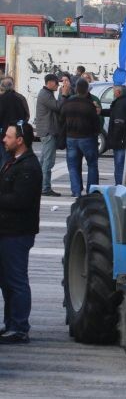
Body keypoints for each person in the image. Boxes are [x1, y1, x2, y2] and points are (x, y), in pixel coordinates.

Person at [0, 121, 42, 344]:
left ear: (20, 140)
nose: (4, 140)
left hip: (17, 232)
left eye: (8, 136)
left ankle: (19, 327)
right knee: (6, 281)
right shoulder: (13, 162)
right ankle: (11, 324)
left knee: (16, 279)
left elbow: (20, 200)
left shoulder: (28, 167)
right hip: (7, 230)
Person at [60, 79, 100, 198]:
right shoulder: (89, 105)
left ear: (76, 89)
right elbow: (96, 124)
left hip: (71, 138)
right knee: (92, 165)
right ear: (87, 90)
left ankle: (76, 191)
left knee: (73, 166)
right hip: (87, 138)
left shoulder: (67, 103)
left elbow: (61, 119)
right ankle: (91, 191)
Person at [36, 74, 72, 196]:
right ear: (50, 83)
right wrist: (64, 94)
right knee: (48, 161)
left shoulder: (47, 93)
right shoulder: (45, 94)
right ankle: (45, 188)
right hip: (48, 131)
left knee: (44, 161)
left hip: (48, 130)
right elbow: (58, 107)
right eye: (57, 83)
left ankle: (40, 186)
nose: (58, 85)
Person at [101, 85, 126, 185]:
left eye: (114, 91)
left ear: (118, 92)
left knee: (120, 166)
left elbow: (119, 123)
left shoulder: (120, 103)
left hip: (122, 142)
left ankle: (120, 187)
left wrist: (114, 140)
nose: (113, 94)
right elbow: (114, 113)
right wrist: (101, 111)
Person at [0, 77, 29, 164]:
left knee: (4, 158)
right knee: (12, 158)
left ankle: (5, 176)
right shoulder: (19, 99)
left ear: (2, 87)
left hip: (3, 134)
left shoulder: (1, 99)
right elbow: (25, 116)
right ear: (12, 86)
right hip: (16, 134)